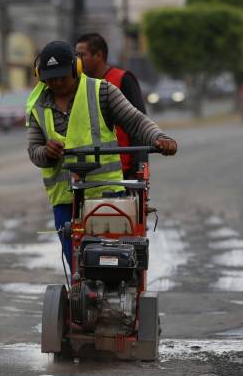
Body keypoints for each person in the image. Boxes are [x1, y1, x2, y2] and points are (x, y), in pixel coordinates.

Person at [26, 40, 177, 269]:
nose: (56, 83)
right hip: (65, 200)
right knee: (78, 266)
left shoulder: (102, 91)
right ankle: (81, 300)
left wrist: (159, 138)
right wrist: (46, 152)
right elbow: (33, 151)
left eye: (62, 77)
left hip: (106, 194)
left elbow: (135, 120)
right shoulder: (37, 105)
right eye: (50, 78)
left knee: (113, 262)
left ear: (76, 70)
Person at [75, 32, 146, 178]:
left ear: (98, 55)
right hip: (91, 170)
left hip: (124, 169)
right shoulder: (79, 85)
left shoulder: (123, 79)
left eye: (82, 55)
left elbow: (139, 125)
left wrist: (139, 166)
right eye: (76, 56)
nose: (78, 60)